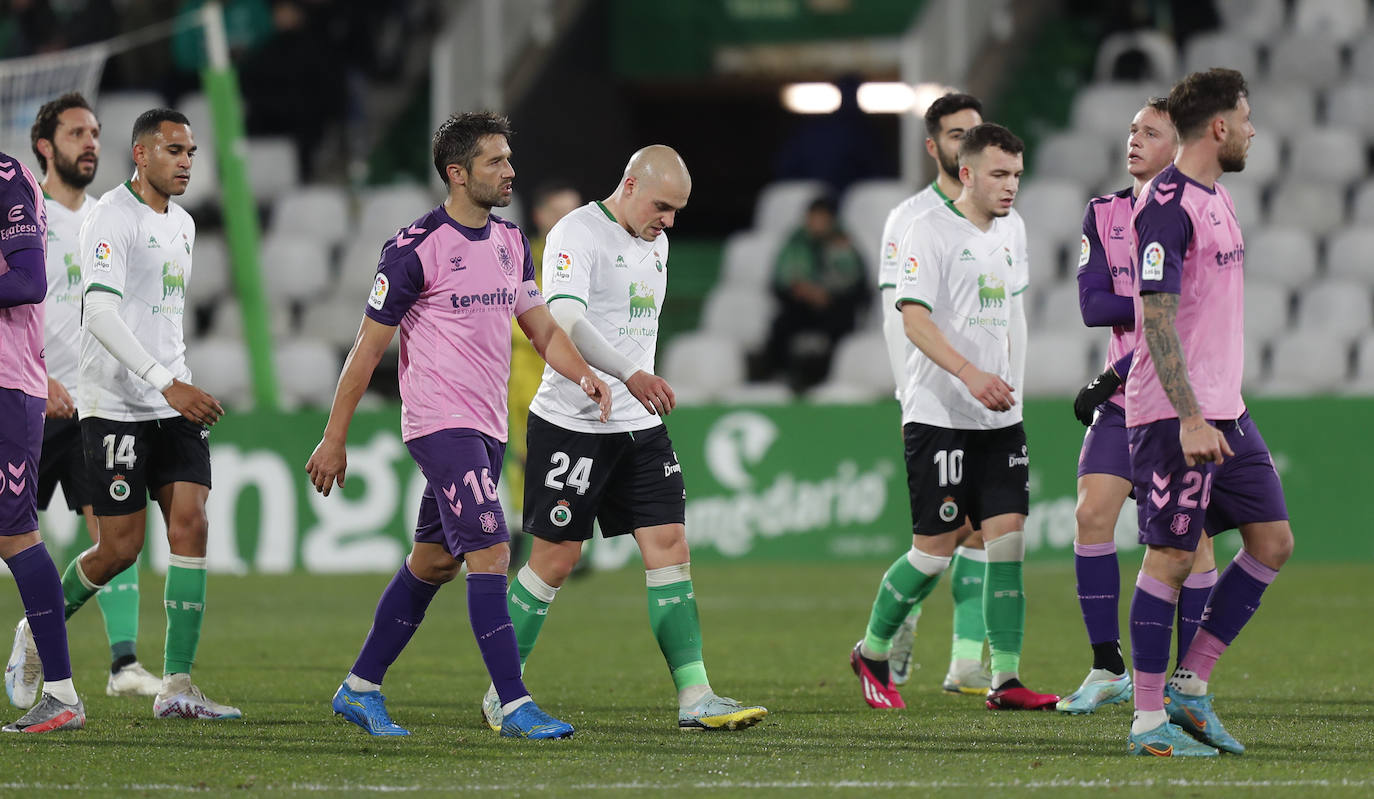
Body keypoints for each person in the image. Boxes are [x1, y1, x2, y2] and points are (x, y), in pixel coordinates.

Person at [307, 111, 611, 740]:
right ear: (457, 172)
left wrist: (582, 372)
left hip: (489, 425)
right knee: (492, 547)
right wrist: (334, 436)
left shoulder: (508, 242)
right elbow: (367, 350)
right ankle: (514, 702)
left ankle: (358, 688)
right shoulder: (416, 248)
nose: (510, 171)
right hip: (439, 422)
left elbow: (540, 326)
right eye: (496, 161)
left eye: (509, 159)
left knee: (434, 561)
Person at [479, 146, 768, 733]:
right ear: (630, 185)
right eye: (662, 206)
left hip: (638, 425)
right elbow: (564, 317)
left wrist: (635, 383)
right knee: (555, 560)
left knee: (669, 543)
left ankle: (696, 697)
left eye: (677, 211)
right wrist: (627, 373)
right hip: (571, 422)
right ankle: (501, 692)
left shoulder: (655, 241)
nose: (669, 221)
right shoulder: (576, 233)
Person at [24, 108, 236, 722]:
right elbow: (100, 313)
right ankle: (36, 635)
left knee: (191, 523)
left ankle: (177, 685)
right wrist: (165, 384)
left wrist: (175, 383)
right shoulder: (109, 217)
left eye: (192, 151)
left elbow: (160, 316)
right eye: (173, 150)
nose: (187, 161)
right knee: (118, 548)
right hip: (116, 405)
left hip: (171, 400)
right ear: (141, 155)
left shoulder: (186, 225)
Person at [851, 123, 1059, 712]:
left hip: (999, 417)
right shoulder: (928, 230)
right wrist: (970, 374)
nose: (1010, 186)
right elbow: (914, 320)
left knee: (1008, 543)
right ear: (965, 173)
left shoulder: (1013, 231)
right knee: (933, 551)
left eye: (1017, 174)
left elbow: (1009, 314)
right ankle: (872, 650)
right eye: (999, 174)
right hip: (940, 412)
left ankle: (1007, 678)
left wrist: (1010, 382)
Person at [1123, 68, 1291, 757]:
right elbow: (1155, 317)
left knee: (1272, 541)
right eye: (1246, 118)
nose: (1253, 130)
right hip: (1174, 413)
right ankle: (1146, 722)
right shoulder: (1167, 204)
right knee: (1168, 556)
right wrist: (1190, 415)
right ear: (1219, 127)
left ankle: (1192, 685)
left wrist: (1216, 410)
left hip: (1228, 409)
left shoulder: (1217, 197)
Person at [1059, 97, 1218, 716]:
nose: (1133, 140)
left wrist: (1152, 320)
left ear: (1176, 146)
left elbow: (1190, 317)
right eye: (1131, 129)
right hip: (1123, 398)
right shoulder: (1105, 212)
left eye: (1150, 132)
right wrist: (1156, 304)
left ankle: (1185, 682)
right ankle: (1106, 668)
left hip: (1177, 398)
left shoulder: (1189, 212)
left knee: (1196, 543)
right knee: (1091, 514)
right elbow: (1093, 305)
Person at [10, 93, 162, 706]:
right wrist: (39, 374)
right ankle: (34, 645)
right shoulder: (25, 213)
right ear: (45, 146)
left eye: (96, 132)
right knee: (12, 532)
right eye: (77, 132)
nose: (91, 142)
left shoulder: (108, 216)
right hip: (30, 395)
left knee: (113, 534)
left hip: (94, 402)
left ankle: (122, 662)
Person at [875, 91, 995, 696]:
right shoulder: (911, 219)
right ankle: (898, 623)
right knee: (943, 535)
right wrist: (907, 397)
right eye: (956, 134)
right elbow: (901, 317)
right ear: (934, 146)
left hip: (985, 404)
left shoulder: (994, 217)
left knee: (980, 530)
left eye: (976, 131)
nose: (967, 143)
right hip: (933, 400)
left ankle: (966, 662)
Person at [0, 147, 85, 733]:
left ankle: (61, 694)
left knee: (16, 536)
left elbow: (30, 280)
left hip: (5, 383)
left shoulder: (6, 178)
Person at [505, 181, 582, 549]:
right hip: (526, 370)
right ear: (541, 217)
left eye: (575, 211)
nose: (570, 219)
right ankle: (523, 527)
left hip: (571, 368)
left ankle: (566, 534)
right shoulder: (523, 258)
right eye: (560, 212)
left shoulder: (586, 262)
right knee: (526, 453)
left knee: (572, 455)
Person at [751, 195, 868, 392]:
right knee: (781, 324)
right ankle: (777, 375)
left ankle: (829, 377)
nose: (817, 223)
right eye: (813, 217)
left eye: (822, 218)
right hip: (800, 307)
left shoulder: (844, 243)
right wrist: (802, 291)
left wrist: (827, 295)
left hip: (835, 308)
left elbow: (858, 283)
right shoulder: (795, 243)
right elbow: (780, 280)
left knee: (841, 323)